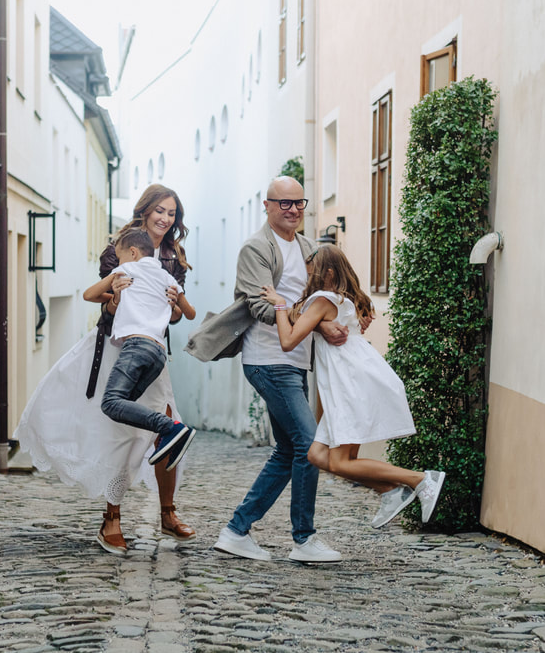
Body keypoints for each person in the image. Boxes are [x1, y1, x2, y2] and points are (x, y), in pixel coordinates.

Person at [15, 184, 195, 555]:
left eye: (172, 213)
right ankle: (111, 518)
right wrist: (114, 298)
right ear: (145, 211)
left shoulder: (175, 258)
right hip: (118, 347)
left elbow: (175, 317)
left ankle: (167, 512)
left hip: (154, 349)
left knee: (166, 427)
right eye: (159, 210)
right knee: (118, 431)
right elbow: (106, 308)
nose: (165, 218)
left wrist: (175, 307)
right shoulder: (120, 249)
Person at [186, 176, 348, 563]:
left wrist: (333, 318)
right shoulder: (256, 249)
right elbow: (260, 307)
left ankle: (237, 530)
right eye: (284, 203)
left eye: (298, 203)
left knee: (289, 450)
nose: (293, 210)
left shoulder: (310, 247)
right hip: (267, 360)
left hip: (295, 361)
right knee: (310, 446)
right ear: (268, 206)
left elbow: (322, 297)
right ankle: (304, 539)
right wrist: (319, 322)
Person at [260, 243, 445, 529]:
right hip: (357, 380)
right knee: (317, 455)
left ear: (328, 273)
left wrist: (280, 305)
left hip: (350, 386)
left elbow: (288, 341)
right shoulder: (348, 300)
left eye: (313, 274)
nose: (309, 280)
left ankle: (420, 479)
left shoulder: (322, 299)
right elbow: (310, 318)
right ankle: (391, 492)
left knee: (342, 461)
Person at [84, 229, 197, 469]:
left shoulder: (128, 269)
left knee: (111, 403)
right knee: (125, 405)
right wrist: (176, 300)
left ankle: (171, 428)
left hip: (136, 346)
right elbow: (190, 314)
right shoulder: (167, 277)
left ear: (133, 253)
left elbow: (89, 295)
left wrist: (114, 288)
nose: (119, 262)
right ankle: (170, 435)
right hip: (158, 353)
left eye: (120, 256)